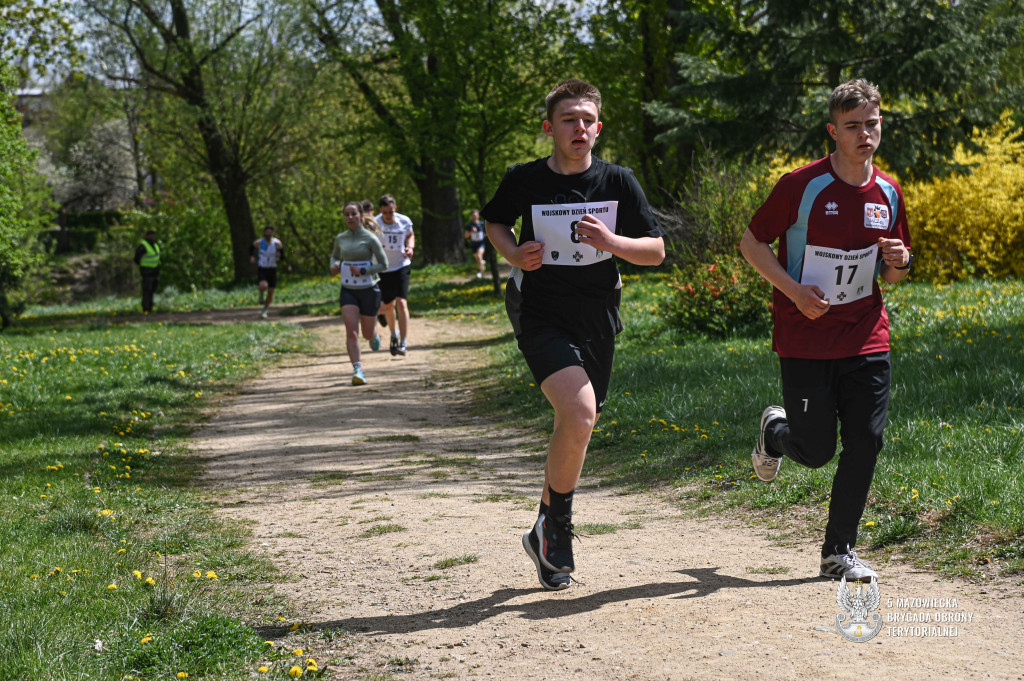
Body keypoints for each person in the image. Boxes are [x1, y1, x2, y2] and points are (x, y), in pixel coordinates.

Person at [483, 79, 666, 591]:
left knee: (580, 422)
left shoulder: (619, 182)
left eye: (587, 120)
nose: (579, 128)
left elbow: (656, 251)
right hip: (538, 311)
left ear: (599, 128)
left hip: (598, 315)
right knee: (579, 410)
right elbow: (495, 221)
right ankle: (558, 530)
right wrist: (514, 254)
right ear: (550, 128)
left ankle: (543, 526)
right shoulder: (524, 180)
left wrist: (613, 242)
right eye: (569, 119)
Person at [739, 78, 913, 582]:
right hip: (805, 337)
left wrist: (901, 260)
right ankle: (776, 432)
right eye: (853, 126)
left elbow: (892, 274)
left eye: (872, 124)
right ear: (832, 131)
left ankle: (838, 550)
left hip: (866, 333)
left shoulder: (889, 191)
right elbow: (752, 244)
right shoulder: (802, 185)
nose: (865, 134)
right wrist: (793, 291)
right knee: (815, 452)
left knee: (866, 440)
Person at [331, 201, 390, 385]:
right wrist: (333, 265)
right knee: (351, 332)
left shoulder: (370, 238)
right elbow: (334, 256)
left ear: (360, 215)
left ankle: (374, 334)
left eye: (353, 214)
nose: (350, 218)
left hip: (369, 289)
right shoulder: (340, 238)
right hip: (348, 289)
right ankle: (358, 369)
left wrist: (364, 271)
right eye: (346, 214)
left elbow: (384, 264)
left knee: (367, 334)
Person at [375, 194, 415, 356]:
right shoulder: (375, 224)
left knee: (402, 303)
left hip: (401, 265)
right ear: (380, 211)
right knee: (388, 305)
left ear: (395, 209)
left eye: (391, 212)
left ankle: (404, 342)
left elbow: (410, 235)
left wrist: (410, 247)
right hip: (383, 269)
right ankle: (394, 333)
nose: (388, 216)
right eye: (385, 213)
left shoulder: (404, 221)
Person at [250, 225, 284, 319]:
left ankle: (265, 309)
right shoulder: (259, 242)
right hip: (263, 267)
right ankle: (261, 294)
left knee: (271, 292)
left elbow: (282, 255)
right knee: (263, 285)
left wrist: (279, 255)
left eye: (270, 232)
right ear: (264, 233)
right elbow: (251, 249)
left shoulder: (277, 243)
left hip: (272, 268)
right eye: (267, 232)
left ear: (273, 233)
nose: (268, 234)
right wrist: (252, 256)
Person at [133, 229, 161, 313]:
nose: (153, 237)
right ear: (147, 236)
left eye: (154, 235)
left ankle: (150, 306)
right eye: (151, 235)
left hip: (155, 271)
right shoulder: (143, 246)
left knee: (152, 289)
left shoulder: (155, 245)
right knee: (147, 290)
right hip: (147, 271)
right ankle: (146, 308)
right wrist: (143, 266)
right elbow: (136, 258)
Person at [464, 209, 488, 278]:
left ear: (478, 215)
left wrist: (484, 235)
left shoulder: (482, 224)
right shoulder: (469, 225)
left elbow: (487, 233)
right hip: (474, 244)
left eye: (476, 214)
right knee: (478, 259)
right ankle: (482, 273)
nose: (474, 216)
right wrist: (471, 231)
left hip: (481, 243)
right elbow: (465, 236)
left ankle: (479, 272)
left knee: (479, 255)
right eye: (473, 214)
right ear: (472, 216)